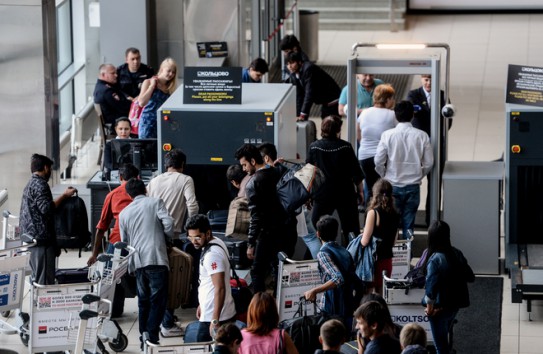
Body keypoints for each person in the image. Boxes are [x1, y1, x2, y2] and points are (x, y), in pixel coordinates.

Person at [147, 148, 198, 337]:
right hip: (172, 237)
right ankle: (167, 324)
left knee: (160, 278)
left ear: (166, 164)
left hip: (153, 235)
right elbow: (192, 204)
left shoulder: (154, 181)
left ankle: (165, 318)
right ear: (182, 165)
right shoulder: (185, 179)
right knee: (171, 279)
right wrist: (191, 229)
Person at [119, 178, 173, 348]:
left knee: (143, 301)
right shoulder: (155, 202)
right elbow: (169, 223)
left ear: (128, 194)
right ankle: (152, 336)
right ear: (146, 190)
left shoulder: (124, 213)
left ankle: (144, 336)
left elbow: (124, 242)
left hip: (138, 262)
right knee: (158, 300)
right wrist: (166, 238)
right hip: (156, 258)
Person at [234, 143, 294, 292]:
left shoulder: (253, 183)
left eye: (244, 165)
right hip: (287, 229)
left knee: (257, 271)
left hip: (267, 233)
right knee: (280, 269)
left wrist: (251, 243)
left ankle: (260, 308)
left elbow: (256, 217)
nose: (244, 169)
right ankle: (281, 305)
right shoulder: (279, 172)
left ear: (253, 161)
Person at [374, 101, 434, 239]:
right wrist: (419, 174)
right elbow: (429, 162)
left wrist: (384, 175)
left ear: (395, 116)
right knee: (409, 224)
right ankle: (408, 255)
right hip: (413, 186)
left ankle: (392, 255)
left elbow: (378, 161)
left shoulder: (387, 135)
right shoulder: (422, 135)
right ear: (413, 115)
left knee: (391, 223)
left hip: (392, 185)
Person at [87, 163, 139, 317]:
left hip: (118, 244)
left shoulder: (113, 195)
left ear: (120, 177)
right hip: (140, 243)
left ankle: (114, 311)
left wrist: (94, 254)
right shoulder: (144, 194)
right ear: (138, 178)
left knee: (111, 277)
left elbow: (101, 227)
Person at [19, 154, 77, 285]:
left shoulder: (30, 183)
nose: (50, 172)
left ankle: (36, 303)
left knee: (37, 277)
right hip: (41, 241)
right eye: (50, 168)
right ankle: (41, 305)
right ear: (45, 168)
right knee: (44, 281)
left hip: (31, 239)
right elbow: (46, 208)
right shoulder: (40, 185)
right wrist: (65, 196)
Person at [307, 116, 364, 246]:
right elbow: (356, 172)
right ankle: (352, 255)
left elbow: (309, 173)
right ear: (338, 130)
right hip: (345, 193)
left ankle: (316, 257)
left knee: (316, 227)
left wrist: (308, 195)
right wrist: (360, 192)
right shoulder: (346, 147)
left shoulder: (314, 147)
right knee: (351, 228)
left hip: (322, 194)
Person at [421, 220, 474, 354]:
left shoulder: (434, 260)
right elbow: (470, 276)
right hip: (455, 305)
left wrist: (429, 310)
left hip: (438, 309)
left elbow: (431, 291)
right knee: (445, 340)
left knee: (440, 347)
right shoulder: (456, 253)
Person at [184, 214, 236, 342]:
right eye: (190, 237)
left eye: (197, 237)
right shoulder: (216, 242)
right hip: (213, 312)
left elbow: (220, 288)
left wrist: (214, 320)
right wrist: (202, 304)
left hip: (215, 317)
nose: (193, 242)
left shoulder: (212, 255)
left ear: (207, 233)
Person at [407, 74, 451, 227]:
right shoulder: (413, 95)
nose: (429, 83)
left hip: (435, 144)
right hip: (418, 145)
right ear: (421, 79)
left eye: (431, 79)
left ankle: (430, 218)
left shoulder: (443, 96)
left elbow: (448, 119)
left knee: (434, 182)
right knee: (412, 181)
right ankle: (408, 219)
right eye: (426, 79)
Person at [304, 215, 358, 329]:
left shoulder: (323, 253)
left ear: (318, 234)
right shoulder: (344, 250)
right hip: (348, 302)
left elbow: (338, 278)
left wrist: (314, 290)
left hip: (333, 304)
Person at [357, 84, 397, 199]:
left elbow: (358, 134)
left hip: (364, 156)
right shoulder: (392, 115)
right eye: (392, 98)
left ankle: (369, 215)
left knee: (370, 190)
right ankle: (383, 215)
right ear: (388, 99)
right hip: (384, 157)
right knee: (385, 190)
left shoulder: (364, 113)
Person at [360, 179, 400, 294]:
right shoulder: (396, 214)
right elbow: (393, 242)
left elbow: (365, 241)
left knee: (367, 293)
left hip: (373, 260)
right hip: (387, 259)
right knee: (381, 294)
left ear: (375, 194)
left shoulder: (374, 213)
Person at [286, 52, 341, 120]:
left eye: (292, 63)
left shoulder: (308, 69)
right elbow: (300, 95)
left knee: (330, 125)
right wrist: (299, 115)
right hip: (325, 102)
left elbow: (309, 93)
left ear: (299, 62)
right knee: (326, 124)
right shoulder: (294, 73)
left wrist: (303, 114)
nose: (289, 66)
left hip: (333, 100)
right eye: (288, 64)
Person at [138, 57, 178, 138]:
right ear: (162, 69)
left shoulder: (170, 87)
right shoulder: (148, 82)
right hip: (148, 123)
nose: (171, 74)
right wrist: (152, 86)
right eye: (168, 71)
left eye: (173, 72)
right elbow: (141, 102)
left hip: (163, 124)